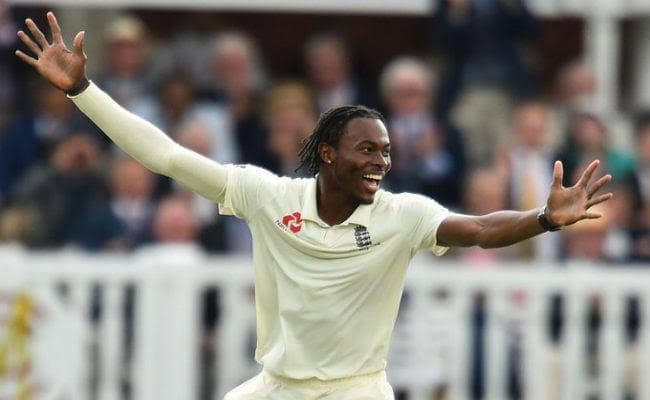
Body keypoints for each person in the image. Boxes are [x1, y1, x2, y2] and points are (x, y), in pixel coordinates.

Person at [15, 13, 613, 399]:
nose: (380, 162)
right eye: (366, 150)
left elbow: (480, 229)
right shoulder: (268, 196)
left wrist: (542, 219)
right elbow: (167, 157)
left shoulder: (402, 214)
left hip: (357, 389)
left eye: (386, 152)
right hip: (278, 385)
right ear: (328, 154)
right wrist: (82, 91)